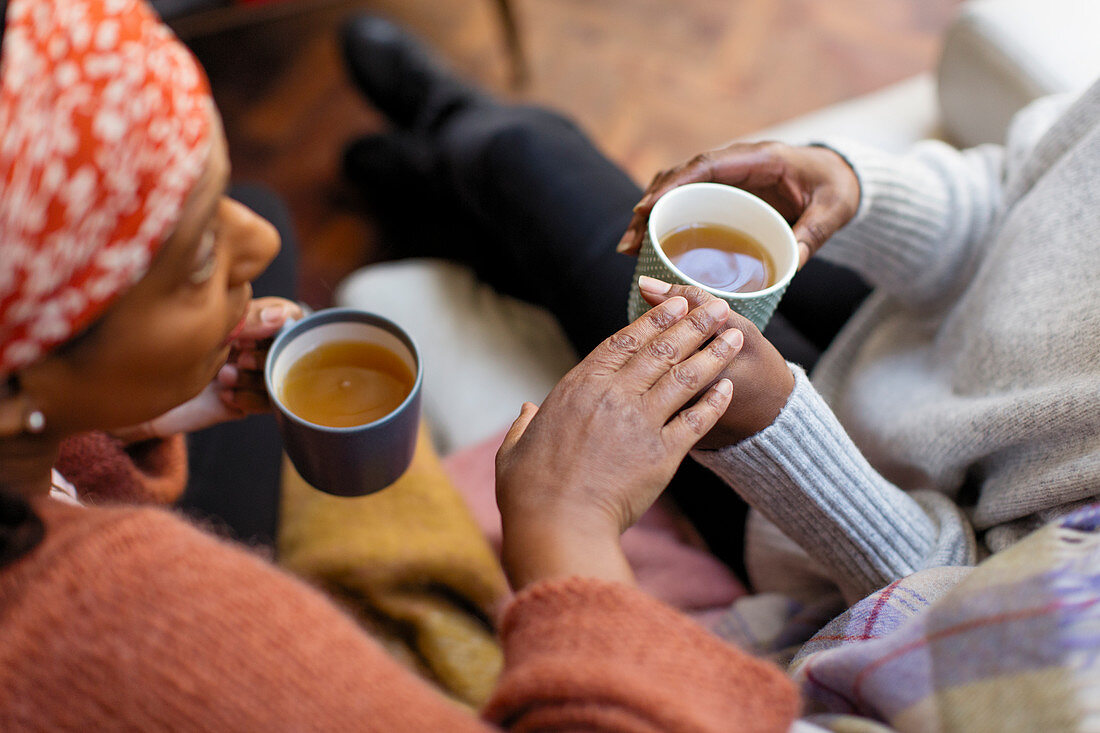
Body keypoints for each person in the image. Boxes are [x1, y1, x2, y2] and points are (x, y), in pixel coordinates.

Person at [0, 0, 800, 729]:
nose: (260, 242)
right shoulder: (153, 629)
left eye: (217, 195)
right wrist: (568, 528)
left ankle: (417, 174)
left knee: (296, 212)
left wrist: (132, 416)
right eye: (200, 251)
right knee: (515, 161)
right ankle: (435, 158)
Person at [338, 15, 1100, 622]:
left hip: (826, 497)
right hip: (904, 318)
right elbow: (1012, 193)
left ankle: (440, 158)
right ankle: (440, 190)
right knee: (533, 182)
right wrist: (860, 190)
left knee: (525, 157)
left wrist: (772, 429)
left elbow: (955, 614)